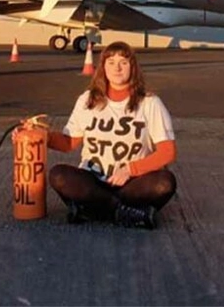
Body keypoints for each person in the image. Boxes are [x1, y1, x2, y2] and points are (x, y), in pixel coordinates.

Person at [47, 41, 177, 229]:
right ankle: (124, 212)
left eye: (123, 62)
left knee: (165, 182)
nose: (117, 68)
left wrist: (130, 170)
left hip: (132, 184)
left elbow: (167, 152)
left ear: (133, 67)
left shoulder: (150, 103)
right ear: (103, 68)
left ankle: (92, 210)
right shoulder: (87, 100)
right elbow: (69, 142)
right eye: (111, 62)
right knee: (58, 175)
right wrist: (42, 136)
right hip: (94, 181)